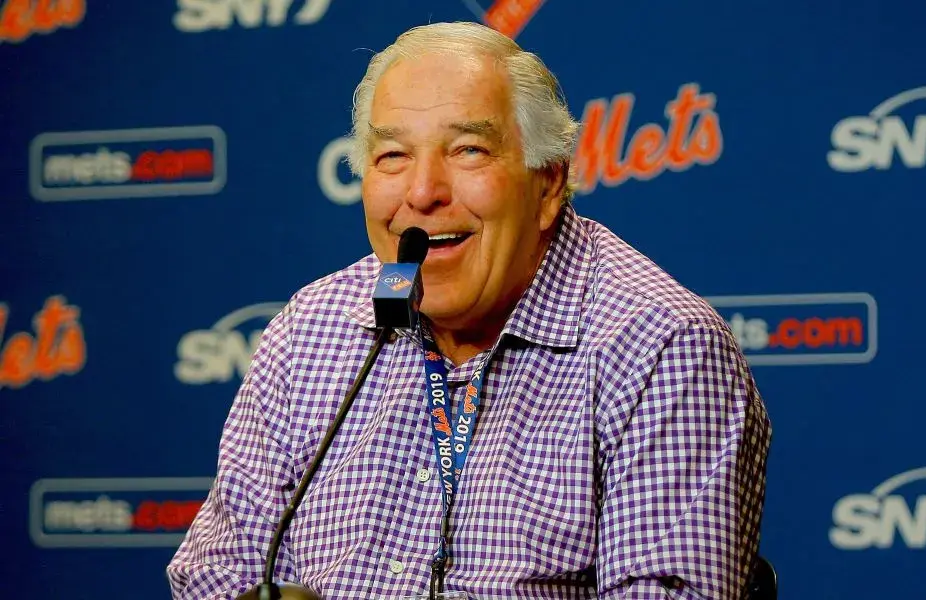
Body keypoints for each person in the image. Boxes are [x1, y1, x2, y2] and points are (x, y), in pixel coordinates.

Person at [167, 20, 771, 600]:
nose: (423, 191)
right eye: (392, 157)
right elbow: (217, 573)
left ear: (549, 183)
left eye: (468, 150)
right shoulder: (312, 329)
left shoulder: (661, 346)